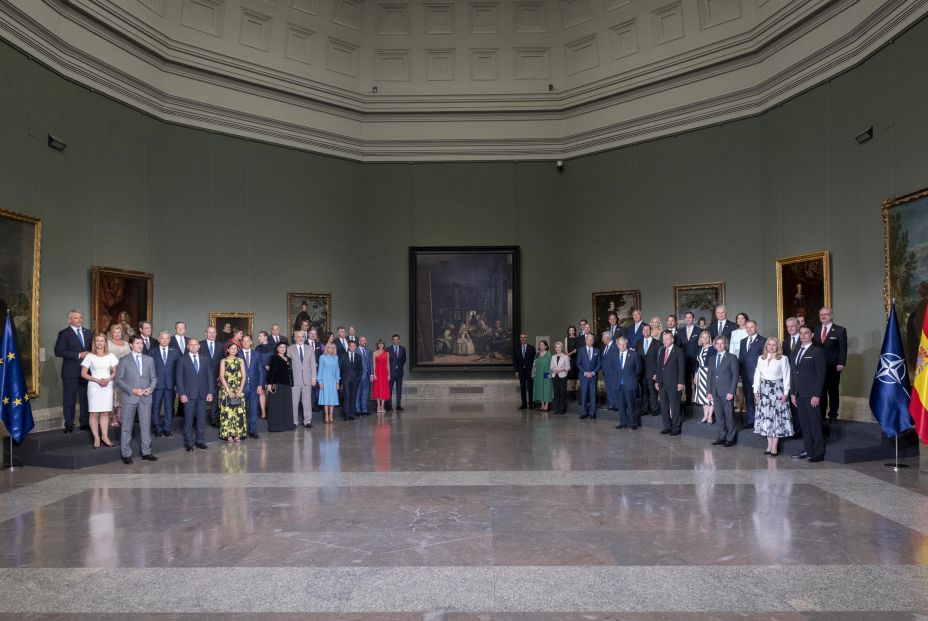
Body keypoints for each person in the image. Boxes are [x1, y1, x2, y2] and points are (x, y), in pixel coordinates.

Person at [114, 335, 158, 464]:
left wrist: (150, 388)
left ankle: (146, 452)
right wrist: (132, 390)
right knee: (127, 427)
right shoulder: (124, 360)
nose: (140, 345)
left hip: (146, 397)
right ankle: (126, 454)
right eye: (137, 343)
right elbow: (118, 379)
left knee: (146, 426)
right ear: (131, 345)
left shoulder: (149, 359)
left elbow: (154, 378)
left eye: (141, 343)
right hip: (129, 397)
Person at [790, 325, 827, 462]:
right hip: (799, 395)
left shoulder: (817, 351)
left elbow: (821, 375)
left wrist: (817, 394)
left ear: (812, 335)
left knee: (815, 424)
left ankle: (818, 452)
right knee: (804, 424)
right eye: (801, 333)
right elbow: (794, 373)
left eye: (806, 333)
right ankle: (807, 450)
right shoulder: (796, 351)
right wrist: (793, 393)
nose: (803, 335)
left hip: (812, 395)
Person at [54, 310, 94, 433]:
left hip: (86, 372)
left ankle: (84, 423)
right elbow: (58, 351)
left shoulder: (88, 333)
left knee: (85, 398)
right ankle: (69, 424)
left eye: (80, 317)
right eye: (76, 318)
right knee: (69, 399)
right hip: (70, 372)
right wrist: (78, 355)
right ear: (69, 320)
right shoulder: (64, 333)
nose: (79, 320)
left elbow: (93, 350)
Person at [754, 337, 793, 456]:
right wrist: (755, 390)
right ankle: (769, 445)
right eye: (769, 345)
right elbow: (757, 374)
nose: (771, 347)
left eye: (774, 345)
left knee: (776, 418)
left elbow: (787, 376)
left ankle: (774, 446)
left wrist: (786, 393)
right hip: (764, 391)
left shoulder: (783, 358)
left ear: (778, 347)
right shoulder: (761, 358)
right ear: (766, 346)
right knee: (766, 418)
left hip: (777, 391)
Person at [80, 334, 118, 448]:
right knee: (94, 413)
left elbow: (114, 372)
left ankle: (105, 436)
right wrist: (97, 380)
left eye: (102, 341)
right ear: (94, 342)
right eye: (97, 341)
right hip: (94, 386)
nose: (100, 343)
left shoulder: (111, 356)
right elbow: (83, 374)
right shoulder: (90, 356)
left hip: (107, 386)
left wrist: (107, 380)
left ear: (105, 342)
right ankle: (96, 437)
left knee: (105, 412)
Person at [174, 338, 212, 451]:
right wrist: (181, 393)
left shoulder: (205, 359)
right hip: (188, 394)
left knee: (201, 419)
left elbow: (209, 376)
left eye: (196, 344)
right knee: (188, 420)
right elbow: (179, 378)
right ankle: (189, 443)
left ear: (199, 346)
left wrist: (210, 392)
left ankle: (200, 441)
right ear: (188, 346)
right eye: (191, 344)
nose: (194, 346)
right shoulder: (182, 359)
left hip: (202, 394)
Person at [813, 307, 848, 424]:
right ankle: (821, 415)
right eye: (821, 314)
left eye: (826, 314)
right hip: (818, 367)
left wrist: (841, 363)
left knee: (833, 391)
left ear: (831, 316)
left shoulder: (840, 330)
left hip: (833, 367)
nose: (823, 316)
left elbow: (843, 350)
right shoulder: (815, 330)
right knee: (820, 391)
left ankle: (833, 414)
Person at [708, 336, 739, 447]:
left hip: (727, 392)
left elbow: (735, 375)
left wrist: (732, 391)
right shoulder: (712, 358)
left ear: (725, 345)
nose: (719, 345)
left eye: (722, 343)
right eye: (717, 343)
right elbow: (710, 376)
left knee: (729, 415)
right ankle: (721, 436)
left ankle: (730, 437)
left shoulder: (732, 357)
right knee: (719, 415)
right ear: (715, 345)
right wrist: (709, 391)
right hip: (715, 391)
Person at [151, 330, 180, 438]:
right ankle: (157, 429)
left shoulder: (175, 351)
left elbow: (178, 369)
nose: (164, 340)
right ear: (159, 339)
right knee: (156, 408)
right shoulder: (152, 352)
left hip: (170, 385)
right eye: (162, 338)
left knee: (169, 408)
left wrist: (177, 384)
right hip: (156, 385)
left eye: (167, 338)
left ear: (169, 340)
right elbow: (150, 370)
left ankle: (167, 429)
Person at [656, 330, 685, 435]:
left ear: (672, 339)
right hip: (662, 383)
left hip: (674, 383)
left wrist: (681, 382)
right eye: (664, 339)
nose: (665, 341)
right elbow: (659, 367)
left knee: (675, 406)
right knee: (663, 406)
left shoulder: (678, 351)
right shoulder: (662, 350)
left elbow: (682, 368)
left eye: (667, 339)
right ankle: (667, 426)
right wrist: (657, 381)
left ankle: (676, 428)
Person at [218, 342, 247, 444]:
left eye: (236, 348)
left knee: (238, 412)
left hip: (239, 389)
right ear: (228, 350)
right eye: (232, 348)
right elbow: (221, 376)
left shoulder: (240, 361)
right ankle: (229, 434)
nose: (234, 350)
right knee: (227, 412)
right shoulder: (223, 361)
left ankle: (238, 434)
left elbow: (244, 376)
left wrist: (240, 390)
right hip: (227, 390)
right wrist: (228, 390)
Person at [739, 320, 765, 429]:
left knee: (760, 399)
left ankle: (762, 421)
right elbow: (741, 358)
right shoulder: (743, 341)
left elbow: (765, 359)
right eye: (747, 327)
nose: (749, 329)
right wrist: (740, 373)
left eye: (752, 327)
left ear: (756, 327)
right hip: (745, 375)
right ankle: (751, 420)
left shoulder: (763, 340)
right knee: (748, 399)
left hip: (758, 376)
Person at [288, 330, 317, 428]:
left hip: (307, 379)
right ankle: (294, 421)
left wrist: (313, 377)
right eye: (298, 337)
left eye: (302, 336)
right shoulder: (289, 349)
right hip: (295, 380)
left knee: (307, 401)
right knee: (294, 402)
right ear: (295, 338)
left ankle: (307, 421)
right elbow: (287, 365)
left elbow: (313, 364)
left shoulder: (309, 349)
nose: (300, 338)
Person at [265, 341, 294, 432]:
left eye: (284, 347)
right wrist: (269, 384)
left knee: (287, 405)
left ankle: (287, 426)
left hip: (287, 385)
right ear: (277, 348)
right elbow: (271, 372)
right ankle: (276, 427)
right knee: (276, 406)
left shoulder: (288, 359)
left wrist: (291, 383)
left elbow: (290, 372)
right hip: (277, 384)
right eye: (280, 347)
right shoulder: (274, 358)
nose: (282, 349)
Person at [613, 337, 641, 430]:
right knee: (621, 405)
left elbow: (638, 369)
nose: (622, 346)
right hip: (618, 384)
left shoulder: (633, 354)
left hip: (629, 384)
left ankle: (632, 423)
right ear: (617, 345)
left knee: (631, 405)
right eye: (620, 344)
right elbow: (613, 369)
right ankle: (623, 422)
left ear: (627, 343)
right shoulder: (614, 355)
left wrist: (630, 377)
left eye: (624, 344)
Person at [107, 324, 131, 427]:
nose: (117, 334)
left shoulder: (126, 343)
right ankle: (113, 417)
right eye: (115, 332)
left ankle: (120, 416)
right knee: (112, 396)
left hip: (125, 374)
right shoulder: (107, 343)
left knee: (122, 396)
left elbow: (130, 357)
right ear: (111, 333)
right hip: (112, 372)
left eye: (119, 332)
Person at [240, 335, 264, 439]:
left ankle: (253, 431)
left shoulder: (256, 354)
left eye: (247, 341)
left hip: (254, 386)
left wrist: (260, 385)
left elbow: (260, 371)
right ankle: (242, 432)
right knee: (242, 409)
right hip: (242, 386)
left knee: (254, 409)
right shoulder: (237, 353)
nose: (245, 343)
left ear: (251, 342)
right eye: (244, 341)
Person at [201, 326, 224, 427]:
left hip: (216, 378)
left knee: (215, 399)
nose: (211, 334)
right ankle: (199, 420)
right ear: (205, 333)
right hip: (201, 378)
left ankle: (214, 420)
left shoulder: (220, 345)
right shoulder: (199, 345)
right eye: (209, 332)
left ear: (216, 334)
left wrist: (221, 375)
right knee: (201, 399)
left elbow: (222, 361)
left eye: (213, 332)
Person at [678, 312, 701, 404]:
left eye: (690, 317)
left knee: (697, 380)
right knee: (687, 380)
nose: (688, 319)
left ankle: (698, 400)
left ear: (693, 319)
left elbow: (701, 346)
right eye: (686, 317)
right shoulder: (680, 331)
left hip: (696, 359)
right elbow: (678, 345)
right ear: (685, 319)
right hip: (684, 359)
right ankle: (688, 400)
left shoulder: (699, 330)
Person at [577, 333, 601, 419]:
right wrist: (585, 372)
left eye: (591, 340)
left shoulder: (597, 351)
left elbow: (599, 364)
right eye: (588, 340)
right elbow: (578, 364)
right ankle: (583, 412)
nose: (590, 341)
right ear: (585, 341)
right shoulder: (581, 350)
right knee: (583, 394)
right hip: (583, 376)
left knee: (593, 394)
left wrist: (593, 372)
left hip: (593, 376)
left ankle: (592, 412)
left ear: (593, 341)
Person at [638, 324, 659, 417]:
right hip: (642, 372)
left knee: (653, 391)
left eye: (647, 330)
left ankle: (654, 409)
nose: (645, 331)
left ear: (650, 331)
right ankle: (644, 408)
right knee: (644, 391)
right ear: (642, 331)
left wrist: (656, 373)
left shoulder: (657, 343)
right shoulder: (638, 343)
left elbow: (659, 360)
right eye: (644, 330)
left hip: (653, 372)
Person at [317, 342, 341, 424]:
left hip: (333, 380)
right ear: (326, 348)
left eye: (332, 348)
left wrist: (337, 382)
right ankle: (326, 415)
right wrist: (320, 381)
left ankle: (331, 415)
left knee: (332, 398)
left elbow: (337, 371)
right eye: (329, 347)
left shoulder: (336, 358)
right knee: (326, 398)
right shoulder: (322, 357)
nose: (330, 349)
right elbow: (319, 370)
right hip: (324, 380)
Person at [693, 330, 714, 424]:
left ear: (709, 338)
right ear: (700, 339)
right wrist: (695, 375)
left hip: (710, 373)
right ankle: (705, 415)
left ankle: (710, 416)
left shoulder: (713, 348)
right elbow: (697, 364)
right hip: (701, 374)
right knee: (702, 396)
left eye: (707, 337)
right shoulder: (699, 349)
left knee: (710, 396)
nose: (705, 339)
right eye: (703, 337)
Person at [340, 340, 363, 420]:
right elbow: (340, 368)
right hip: (346, 380)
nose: (352, 347)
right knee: (347, 396)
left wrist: (359, 378)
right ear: (348, 347)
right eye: (351, 346)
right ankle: (346, 415)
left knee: (353, 396)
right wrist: (341, 380)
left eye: (354, 346)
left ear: (356, 347)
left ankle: (351, 414)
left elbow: (361, 369)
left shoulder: (358, 356)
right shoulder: (343, 356)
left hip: (355, 380)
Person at [255, 331, 274, 419]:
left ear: (266, 337)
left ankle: (271, 411)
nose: (259, 338)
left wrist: (270, 366)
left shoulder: (273, 347)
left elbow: (275, 358)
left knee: (271, 391)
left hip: (271, 371)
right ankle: (263, 412)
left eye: (260, 336)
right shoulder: (257, 348)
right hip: (261, 371)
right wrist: (264, 365)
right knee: (261, 391)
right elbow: (256, 360)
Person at [600, 332, 621, 411]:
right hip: (606, 373)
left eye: (603, 338)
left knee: (614, 389)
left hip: (613, 373)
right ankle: (612, 404)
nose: (602, 340)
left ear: (608, 338)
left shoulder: (615, 346)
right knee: (609, 389)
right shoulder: (605, 347)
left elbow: (617, 360)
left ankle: (617, 405)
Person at [514, 333, 535, 410]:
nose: (522, 339)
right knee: (522, 388)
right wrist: (516, 371)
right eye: (521, 337)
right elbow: (516, 361)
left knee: (530, 388)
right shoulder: (517, 348)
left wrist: (533, 371)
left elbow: (534, 361)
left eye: (524, 337)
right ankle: (524, 404)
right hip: (521, 372)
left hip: (529, 371)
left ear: (527, 338)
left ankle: (531, 404)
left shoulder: (531, 348)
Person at [550, 341, 570, 415]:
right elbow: (551, 367)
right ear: (555, 348)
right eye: (556, 347)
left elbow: (568, 367)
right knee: (556, 393)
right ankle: (556, 409)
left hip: (562, 376)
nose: (558, 348)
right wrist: (554, 369)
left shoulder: (565, 357)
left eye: (559, 347)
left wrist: (561, 369)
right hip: (555, 376)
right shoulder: (553, 357)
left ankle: (562, 410)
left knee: (562, 393)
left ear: (562, 348)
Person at [531, 340, 553, 411]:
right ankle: (542, 404)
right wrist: (533, 374)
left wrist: (550, 375)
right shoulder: (537, 354)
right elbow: (534, 365)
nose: (541, 346)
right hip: (538, 375)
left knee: (547, 389)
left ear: (546, 346)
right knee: (539, 389)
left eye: (543, 345)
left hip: (546, 374)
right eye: (540, 345)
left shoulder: (549, 354)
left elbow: (551, 366)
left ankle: (547, 404)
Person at [387, 334, 406, 412]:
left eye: (396, 339)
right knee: (389, 390)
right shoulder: (388, 349)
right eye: (394, 339)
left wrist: (399, 366)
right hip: (391, 373)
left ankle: (398, 405)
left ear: (399, 340)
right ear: (392, 340)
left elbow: (404, 360)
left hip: (399, 372)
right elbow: (387, 361)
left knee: (399, 389)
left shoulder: (403, 349)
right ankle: (389, 406)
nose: (395, 341)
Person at [372, 339, 391, 413]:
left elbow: (388, 364)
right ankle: (378, 406)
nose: (380, 345)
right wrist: (374, 374)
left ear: (384, 345)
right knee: (377, 389)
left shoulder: (387, 353)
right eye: (379, 344)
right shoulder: (374, 353)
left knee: (384, 389)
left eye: (382, 344)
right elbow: (374, 364)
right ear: (377, 345)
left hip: (384, 373)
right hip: (377, 372)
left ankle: (382, 406)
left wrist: (389, 374)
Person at [356, 336, 373, 416]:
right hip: (359, 376)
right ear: (359, 342)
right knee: (358, 393)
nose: (364, 342)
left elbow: (370, 364)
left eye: (365, 340)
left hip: (367, 376)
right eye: (362, 340)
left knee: (365, 393)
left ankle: (364, 409)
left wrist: (372, 374)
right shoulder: (356, 351)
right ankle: (357, 409)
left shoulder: (368, 351)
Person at [565, 326, 579, 395]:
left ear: (575, 331)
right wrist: (568, 355)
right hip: (569, 357)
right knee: (570, 373)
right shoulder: (566, 338)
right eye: (570, 330)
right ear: (568, 331)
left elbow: (577, 349)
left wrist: (571, 353)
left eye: (573, 330)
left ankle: (575, 389)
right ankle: (570, 390)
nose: (571, 331)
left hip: (576, 357)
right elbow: (565, 348)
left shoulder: (577, 338)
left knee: (575, 373)